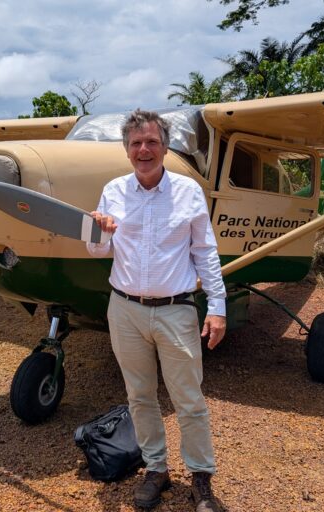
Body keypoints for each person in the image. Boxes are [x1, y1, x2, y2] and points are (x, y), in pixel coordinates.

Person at [87, 109, 226, 512]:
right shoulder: (113, 190)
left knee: (189, 398)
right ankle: (156, 469)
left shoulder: (188, 191)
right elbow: (97, 250)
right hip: (124, 309)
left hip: (176, 310)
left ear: (164, 147)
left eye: (151, 142)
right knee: (139, 395)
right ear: (127, 150)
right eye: (135, 143)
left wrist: (216, 308)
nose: (143, 149)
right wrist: (99, 232)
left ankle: (201, 477)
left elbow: (205, 252)